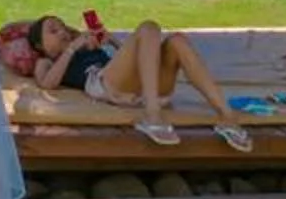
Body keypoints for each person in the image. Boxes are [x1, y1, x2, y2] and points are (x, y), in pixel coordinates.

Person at [21, 14, 248, 148]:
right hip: (105, 85)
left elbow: (142, 55)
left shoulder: (88, 48)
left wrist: (112, 43)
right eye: (53, 30)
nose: (61, 32)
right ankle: (152, 116)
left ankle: (228, 117)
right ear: (40, 45)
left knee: (176, 41)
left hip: (142, 88)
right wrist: (73, 47)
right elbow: (47, 84)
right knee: (148, 27)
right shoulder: (47, 60)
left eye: (62, 27)